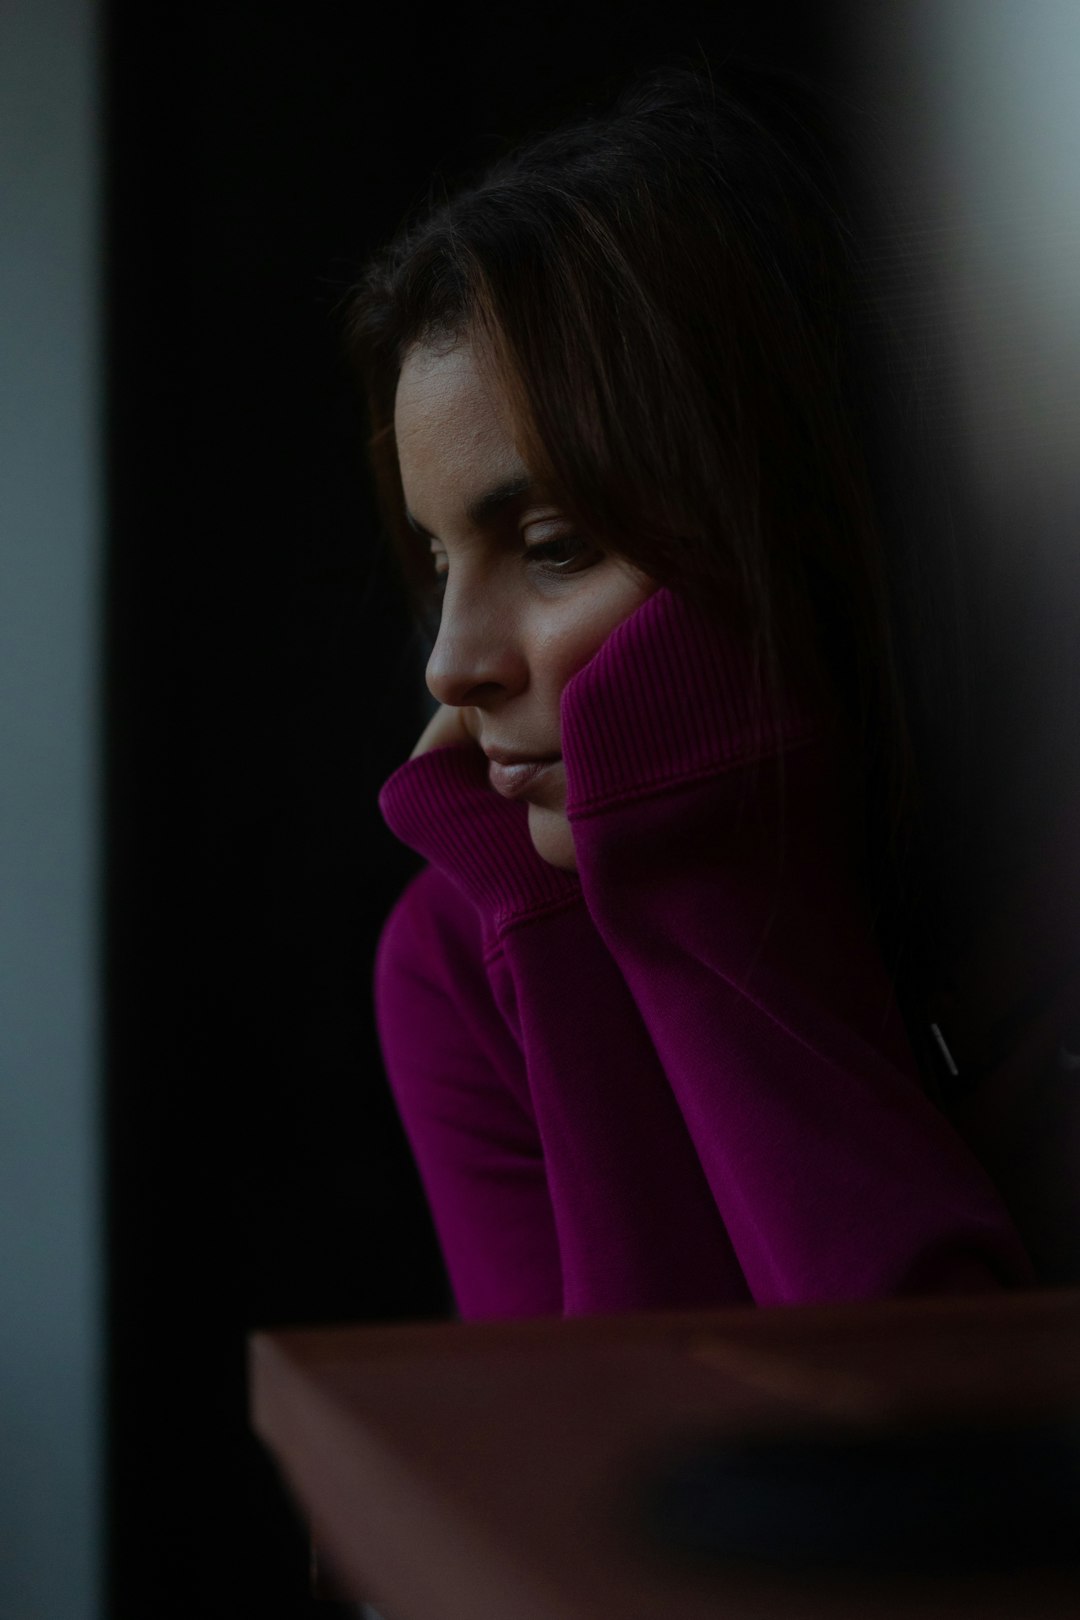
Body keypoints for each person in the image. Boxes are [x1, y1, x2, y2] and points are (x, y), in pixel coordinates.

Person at [346, 56, 1034, 1319]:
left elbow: (950, 1463)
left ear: (811, 523)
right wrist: (567, 950)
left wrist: (712, 899)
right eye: (441, 561)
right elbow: (601, 1482)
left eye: (554, 548)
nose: (451, 662)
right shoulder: (463, 958)